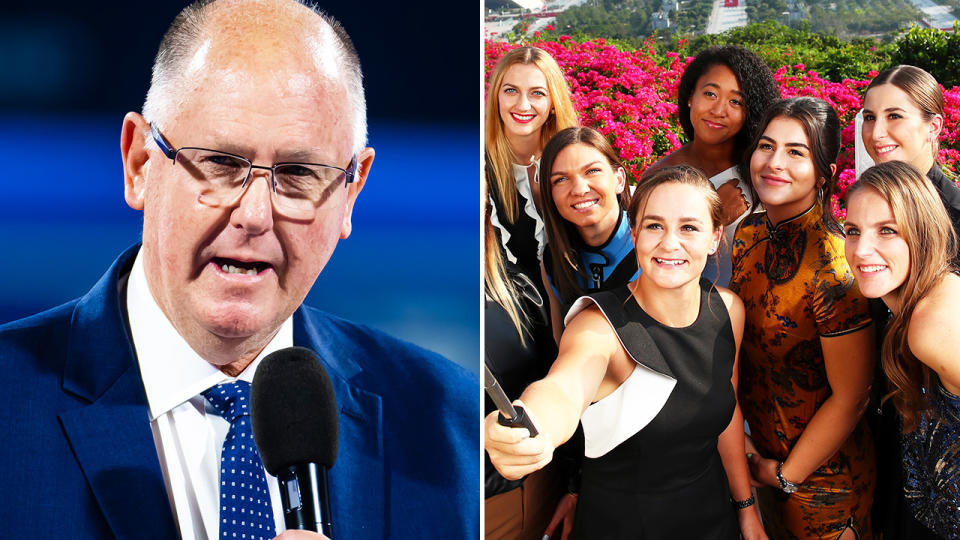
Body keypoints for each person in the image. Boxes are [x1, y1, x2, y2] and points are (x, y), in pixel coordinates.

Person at [0, 2, 478, 539]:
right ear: (139, 164)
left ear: (351, 192)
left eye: (298, 173)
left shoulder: (452, 428)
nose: (254, 216)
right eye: (221, 164)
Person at [486, 165, 766, 540]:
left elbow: (728, 412)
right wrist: (530, 425)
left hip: (713, 519)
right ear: (633, 234)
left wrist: (746, 510)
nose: (670, 243)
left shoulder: (728, 310)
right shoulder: (598, 325)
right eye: (654, 226)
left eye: (689, 227)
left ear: (715, 237)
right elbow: (563, 388)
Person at [730, 97, 876, 539]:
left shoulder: (834, 265)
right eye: (766, 146)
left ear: (825, 174)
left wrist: (785, 475)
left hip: (826, 484)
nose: (774, 162)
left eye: (797, 152)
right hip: (761, 468)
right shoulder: (747, 234)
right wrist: (753, 460)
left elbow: (852, 397)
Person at [484, 45, 579, 540]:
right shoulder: (480, 165)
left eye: (537, 92)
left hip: (576, 309)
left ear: (552, 99)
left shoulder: (571, 162)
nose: (522, 104)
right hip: (517, 320)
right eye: (511, 90)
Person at [843, 161, 960, 539]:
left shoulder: (931, 323)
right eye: (853, 231)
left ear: (923, 234)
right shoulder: (917, 303)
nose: (861, 250)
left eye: (887, 231)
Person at [647, 45, 780, 285]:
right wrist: (716, 215)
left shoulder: (763, 168)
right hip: (694, 312)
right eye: (710, 94)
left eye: (736, 101)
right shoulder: (659, 176)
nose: (719, 110)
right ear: (690, 97)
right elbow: (651, 264)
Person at [540, 127, 636, 343]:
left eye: (592, 171)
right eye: (561, 180)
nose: (579, 189)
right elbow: (561, 342)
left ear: (619, 179)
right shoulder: (553, 260)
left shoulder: (654, 245)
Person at [861, 64, 960, 251]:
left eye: (894, 116)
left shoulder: (955, 219)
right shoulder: (866, 204)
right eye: (870, 118)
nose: (876, 134)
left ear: (933, 127)